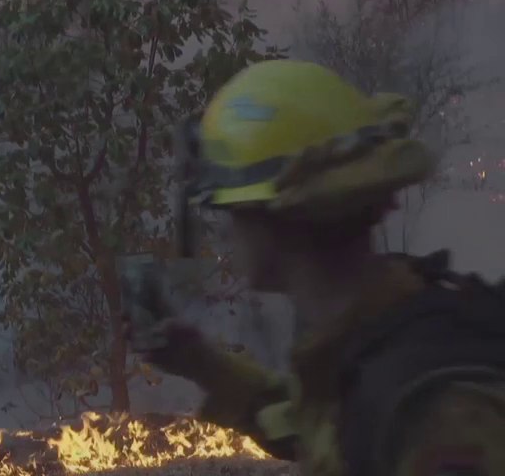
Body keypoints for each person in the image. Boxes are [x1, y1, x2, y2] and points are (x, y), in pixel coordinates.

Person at [129, 59, 505, 476]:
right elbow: (316, 428)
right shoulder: (361, 339)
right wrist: (201, 363)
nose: (223, 233)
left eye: (231, 211)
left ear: (280, 218)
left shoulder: (434, 416)